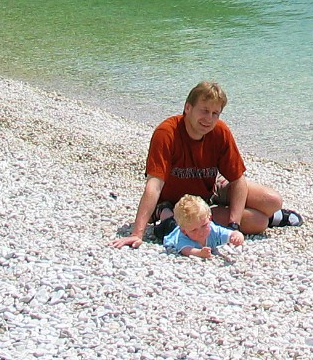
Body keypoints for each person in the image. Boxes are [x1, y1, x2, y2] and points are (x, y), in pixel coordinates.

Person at [108, 80, 302, 249]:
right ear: (188, 108)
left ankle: (274, 214)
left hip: (211, 190)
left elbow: (237, 179)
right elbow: (154, 185)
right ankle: (274, 219)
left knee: (273, 200)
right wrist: (137, 233)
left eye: (215, 113)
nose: (209, 119)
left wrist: (234, 226)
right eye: (204, 111)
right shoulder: (167, 133)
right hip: (183, 205)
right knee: (259, 222)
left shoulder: (220, 132)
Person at [163, 194, 243, 258]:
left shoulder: (213, 229)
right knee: (167, 225)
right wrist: (199, 253)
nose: (201, 232)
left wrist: (237, 237)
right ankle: (162, 210)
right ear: (184, 231)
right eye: (194, 230)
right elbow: (186, 250)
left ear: (210, 218)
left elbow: (231, 233)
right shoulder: (183, 236)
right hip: (172, 231)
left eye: (204, 225)